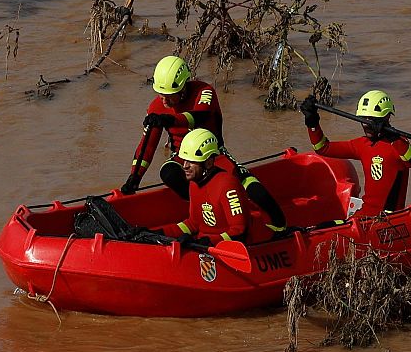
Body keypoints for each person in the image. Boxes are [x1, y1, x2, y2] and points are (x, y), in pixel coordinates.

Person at [156, 129, 288, 245]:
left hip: (238, 249)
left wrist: (206, 242)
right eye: (185, 160)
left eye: (192, 162)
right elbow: (193, 224)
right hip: (207, 246)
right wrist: (158, 232)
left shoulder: (227, 185)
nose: (185, 166)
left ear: (208, 163)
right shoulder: (194, 183)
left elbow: (239, 232)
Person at [300, 90, 411, 215]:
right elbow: (322, 148)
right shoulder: (361, 145)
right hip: (364, 216)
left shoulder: (399, 143)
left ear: (387, 117)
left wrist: (393, 136)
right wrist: (312, 122)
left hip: (388, 220)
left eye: (371, 119)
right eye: (363, 119)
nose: (365, 124)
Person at [121, 55, 224, 197]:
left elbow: (200, 116)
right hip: (183, 159)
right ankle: (196, 202)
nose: (164, 100)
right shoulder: (156, 107)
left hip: (212, 157)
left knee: (254, 190)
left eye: (169, 95)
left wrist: (169, 119)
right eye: (161, 94)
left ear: (183, 89)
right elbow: (147, 147)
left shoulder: (204, 91)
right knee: (168, 173)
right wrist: (134, 177)